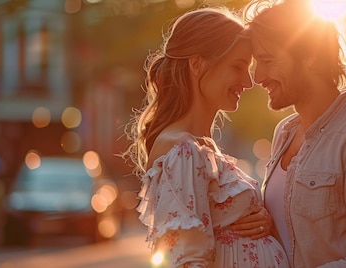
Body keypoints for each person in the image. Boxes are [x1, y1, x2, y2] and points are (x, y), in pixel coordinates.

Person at [231, 0, 346, 267]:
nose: (257, 76)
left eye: (267, 60)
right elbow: (295, 237)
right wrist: (268, 226)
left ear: (311, 55)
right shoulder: (285, 132)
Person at [121, 7, 288, 268]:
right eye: (238, 67)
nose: (248, 81)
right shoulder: (182, 150)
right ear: (198, 64)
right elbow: (186, 259)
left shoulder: (200, 148)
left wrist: (264, 222)